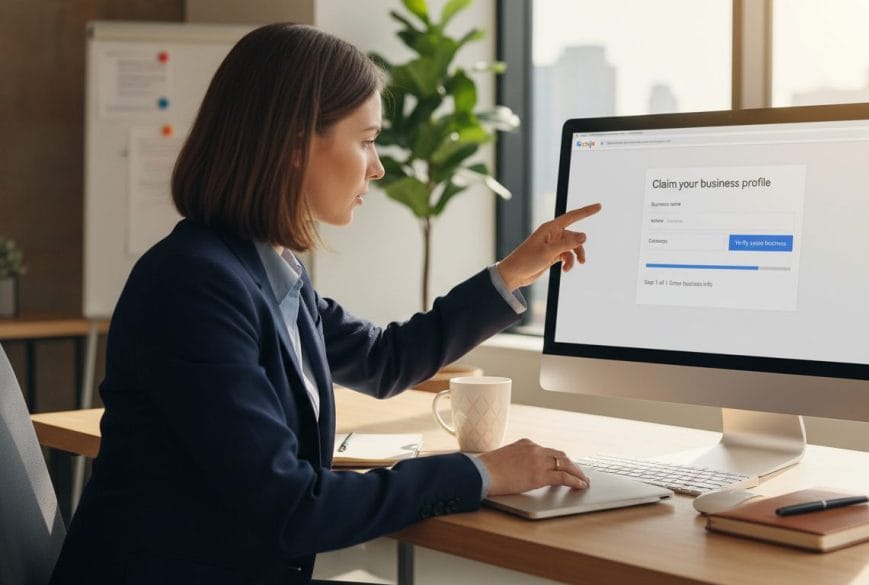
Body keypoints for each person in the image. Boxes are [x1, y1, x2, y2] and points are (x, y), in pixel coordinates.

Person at [50, 23, 600, 585]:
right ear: (294, 144)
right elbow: (291, 507)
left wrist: (513, 273)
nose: (377, 166)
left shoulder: (269, 270)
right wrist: (479, 473)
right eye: (366, 140)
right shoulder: (194, 286)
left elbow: (384, 360)